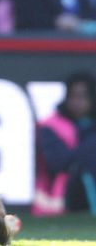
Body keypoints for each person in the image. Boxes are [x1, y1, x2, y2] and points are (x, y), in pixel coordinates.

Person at [34, 71, 96, 215]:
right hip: (58, 201)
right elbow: (58, 163)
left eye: (83, 97)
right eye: (72, 96)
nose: (77, 102)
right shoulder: (52, 126)